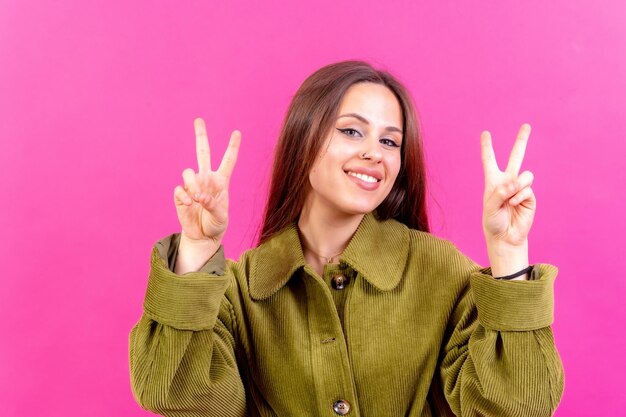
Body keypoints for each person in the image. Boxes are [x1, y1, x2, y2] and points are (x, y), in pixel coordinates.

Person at [129, 61, 564, 417]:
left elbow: (520, 405)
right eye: (352, 131)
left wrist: (509, 254)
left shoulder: (439, 270)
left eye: (390, 141)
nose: (374, 152)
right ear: (305, 137)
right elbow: (172, 393)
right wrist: (197, 249)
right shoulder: (242, 290)